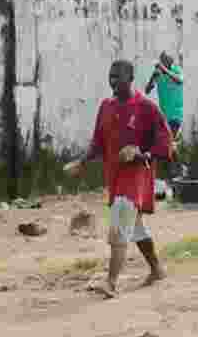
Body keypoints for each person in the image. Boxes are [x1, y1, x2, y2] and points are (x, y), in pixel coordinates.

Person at [66, 59, 173, 298]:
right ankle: (156, 269)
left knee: (118, 227)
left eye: (118, 77)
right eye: (111, 76)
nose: (113, 81)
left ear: (130, 78)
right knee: (135, 228)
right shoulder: (106, 106)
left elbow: (165, 143)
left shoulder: (146, 107)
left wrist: (141, 154)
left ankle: (111, 283)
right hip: (114, 177)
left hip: (135, 178)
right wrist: (82, 162)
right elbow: (98, 141)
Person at [145, 51, 184, 140]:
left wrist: (164, 70)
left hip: (175, 114)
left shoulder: (176, 70)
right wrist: (152, 78)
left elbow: (179, 80)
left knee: (169, 140)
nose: (163, 62)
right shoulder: (159, 73)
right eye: (162, 60)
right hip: (163, 115)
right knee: (163, 142)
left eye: (165, 60)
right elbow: (147, 90)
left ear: (171, 60)